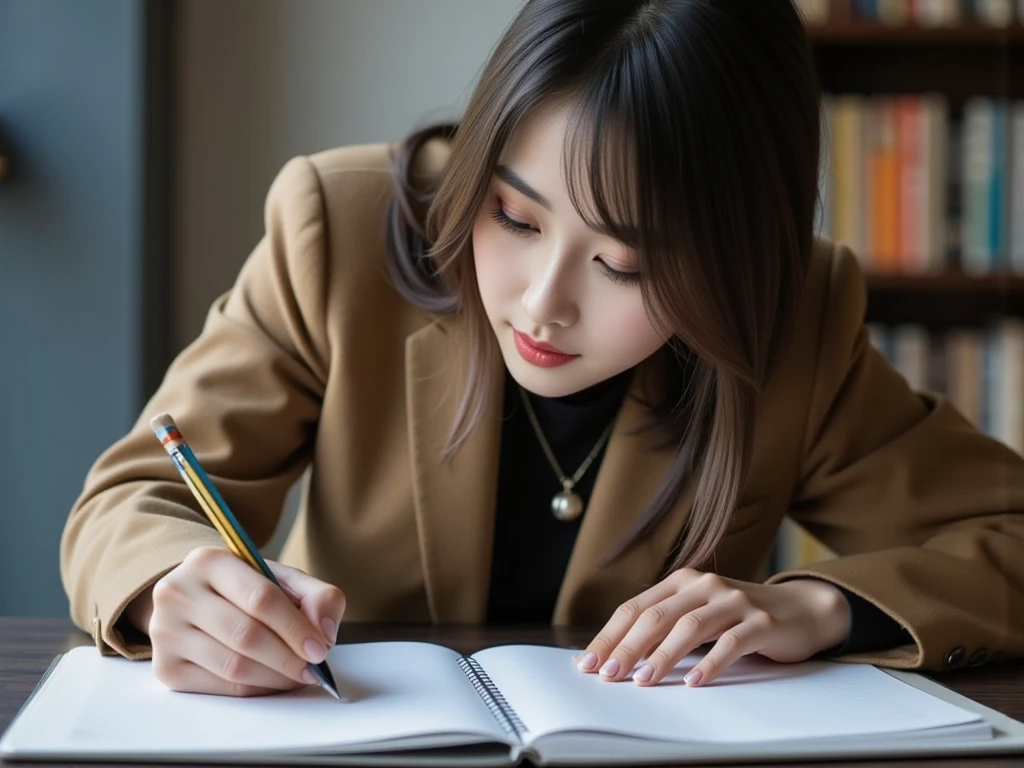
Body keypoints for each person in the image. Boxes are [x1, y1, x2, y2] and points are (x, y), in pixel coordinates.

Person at [62, 0, 1024, 698]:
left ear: (738, 260)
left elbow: (1005, 536)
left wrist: (823, 607)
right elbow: (131, 498)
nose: (541, 302)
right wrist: (169, 592)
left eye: (623, 264)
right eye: (512, 216)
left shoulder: (794, 318)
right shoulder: (341, 235)